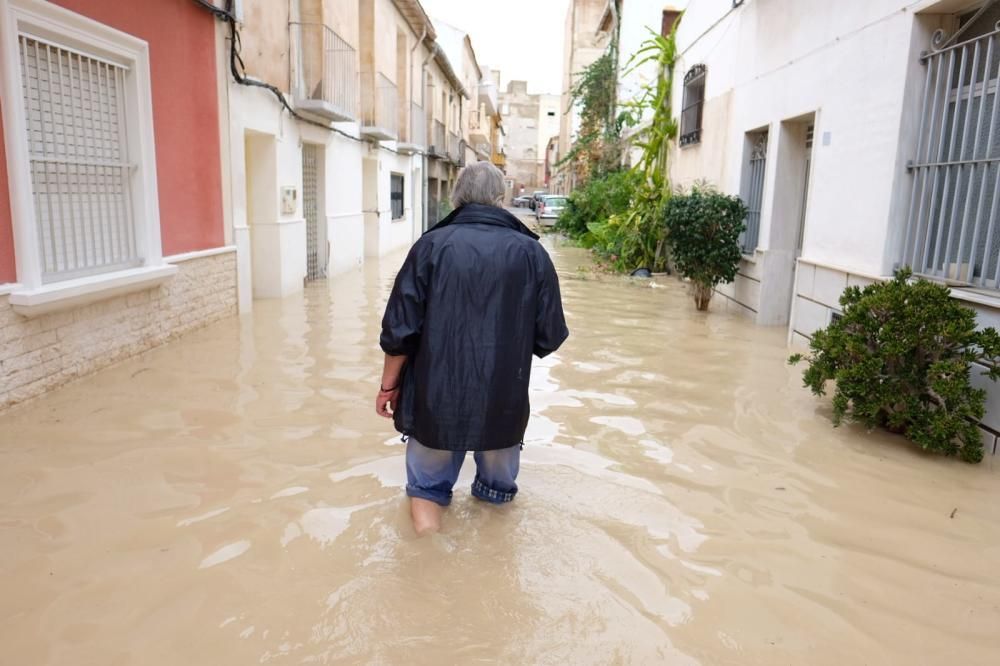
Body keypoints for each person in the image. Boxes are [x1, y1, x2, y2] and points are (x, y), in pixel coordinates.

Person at [376, 162, 569, 535]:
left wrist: (388, 386)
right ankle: (488, 572)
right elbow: (549, 336)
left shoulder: (430, 246)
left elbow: (399, 330)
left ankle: (429, 568)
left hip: (435, 403)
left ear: (456, 197)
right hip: (503, 404)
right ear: (501, 199)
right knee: (496, 501)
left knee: (427, 492)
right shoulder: (531, 253)